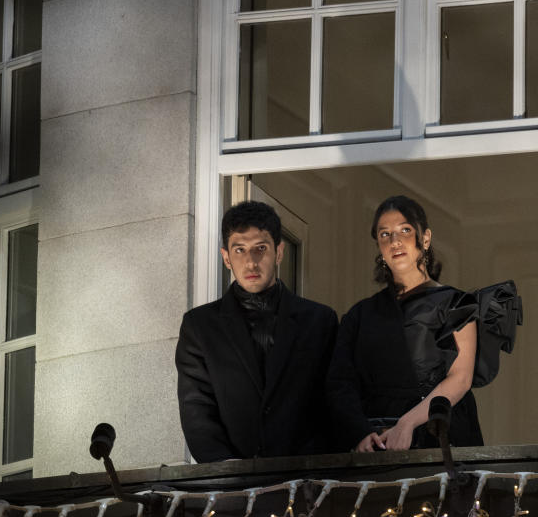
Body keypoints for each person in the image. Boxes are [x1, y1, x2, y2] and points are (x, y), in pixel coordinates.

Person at [176, 201, 338, 462]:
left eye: (260, 248)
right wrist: (225, 469)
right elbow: (196, 406)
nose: (251, 262)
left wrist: (310, 469)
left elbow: (332, 402)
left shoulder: (320, 321)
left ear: (279, 252)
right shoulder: (199, 327)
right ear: (226, 257)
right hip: (232, 488)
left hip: (306, 482)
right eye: (240, 249)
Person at [326, 195, 484, 452]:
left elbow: (461, 378)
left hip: (441, 439)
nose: (395, 241)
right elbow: (340, 384)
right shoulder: (360, 314)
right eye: (385, 234)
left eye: (405, 230)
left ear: (426, 238)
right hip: (377, 446)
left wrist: (406, 424)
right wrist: (360, 434)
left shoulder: (457, 303)